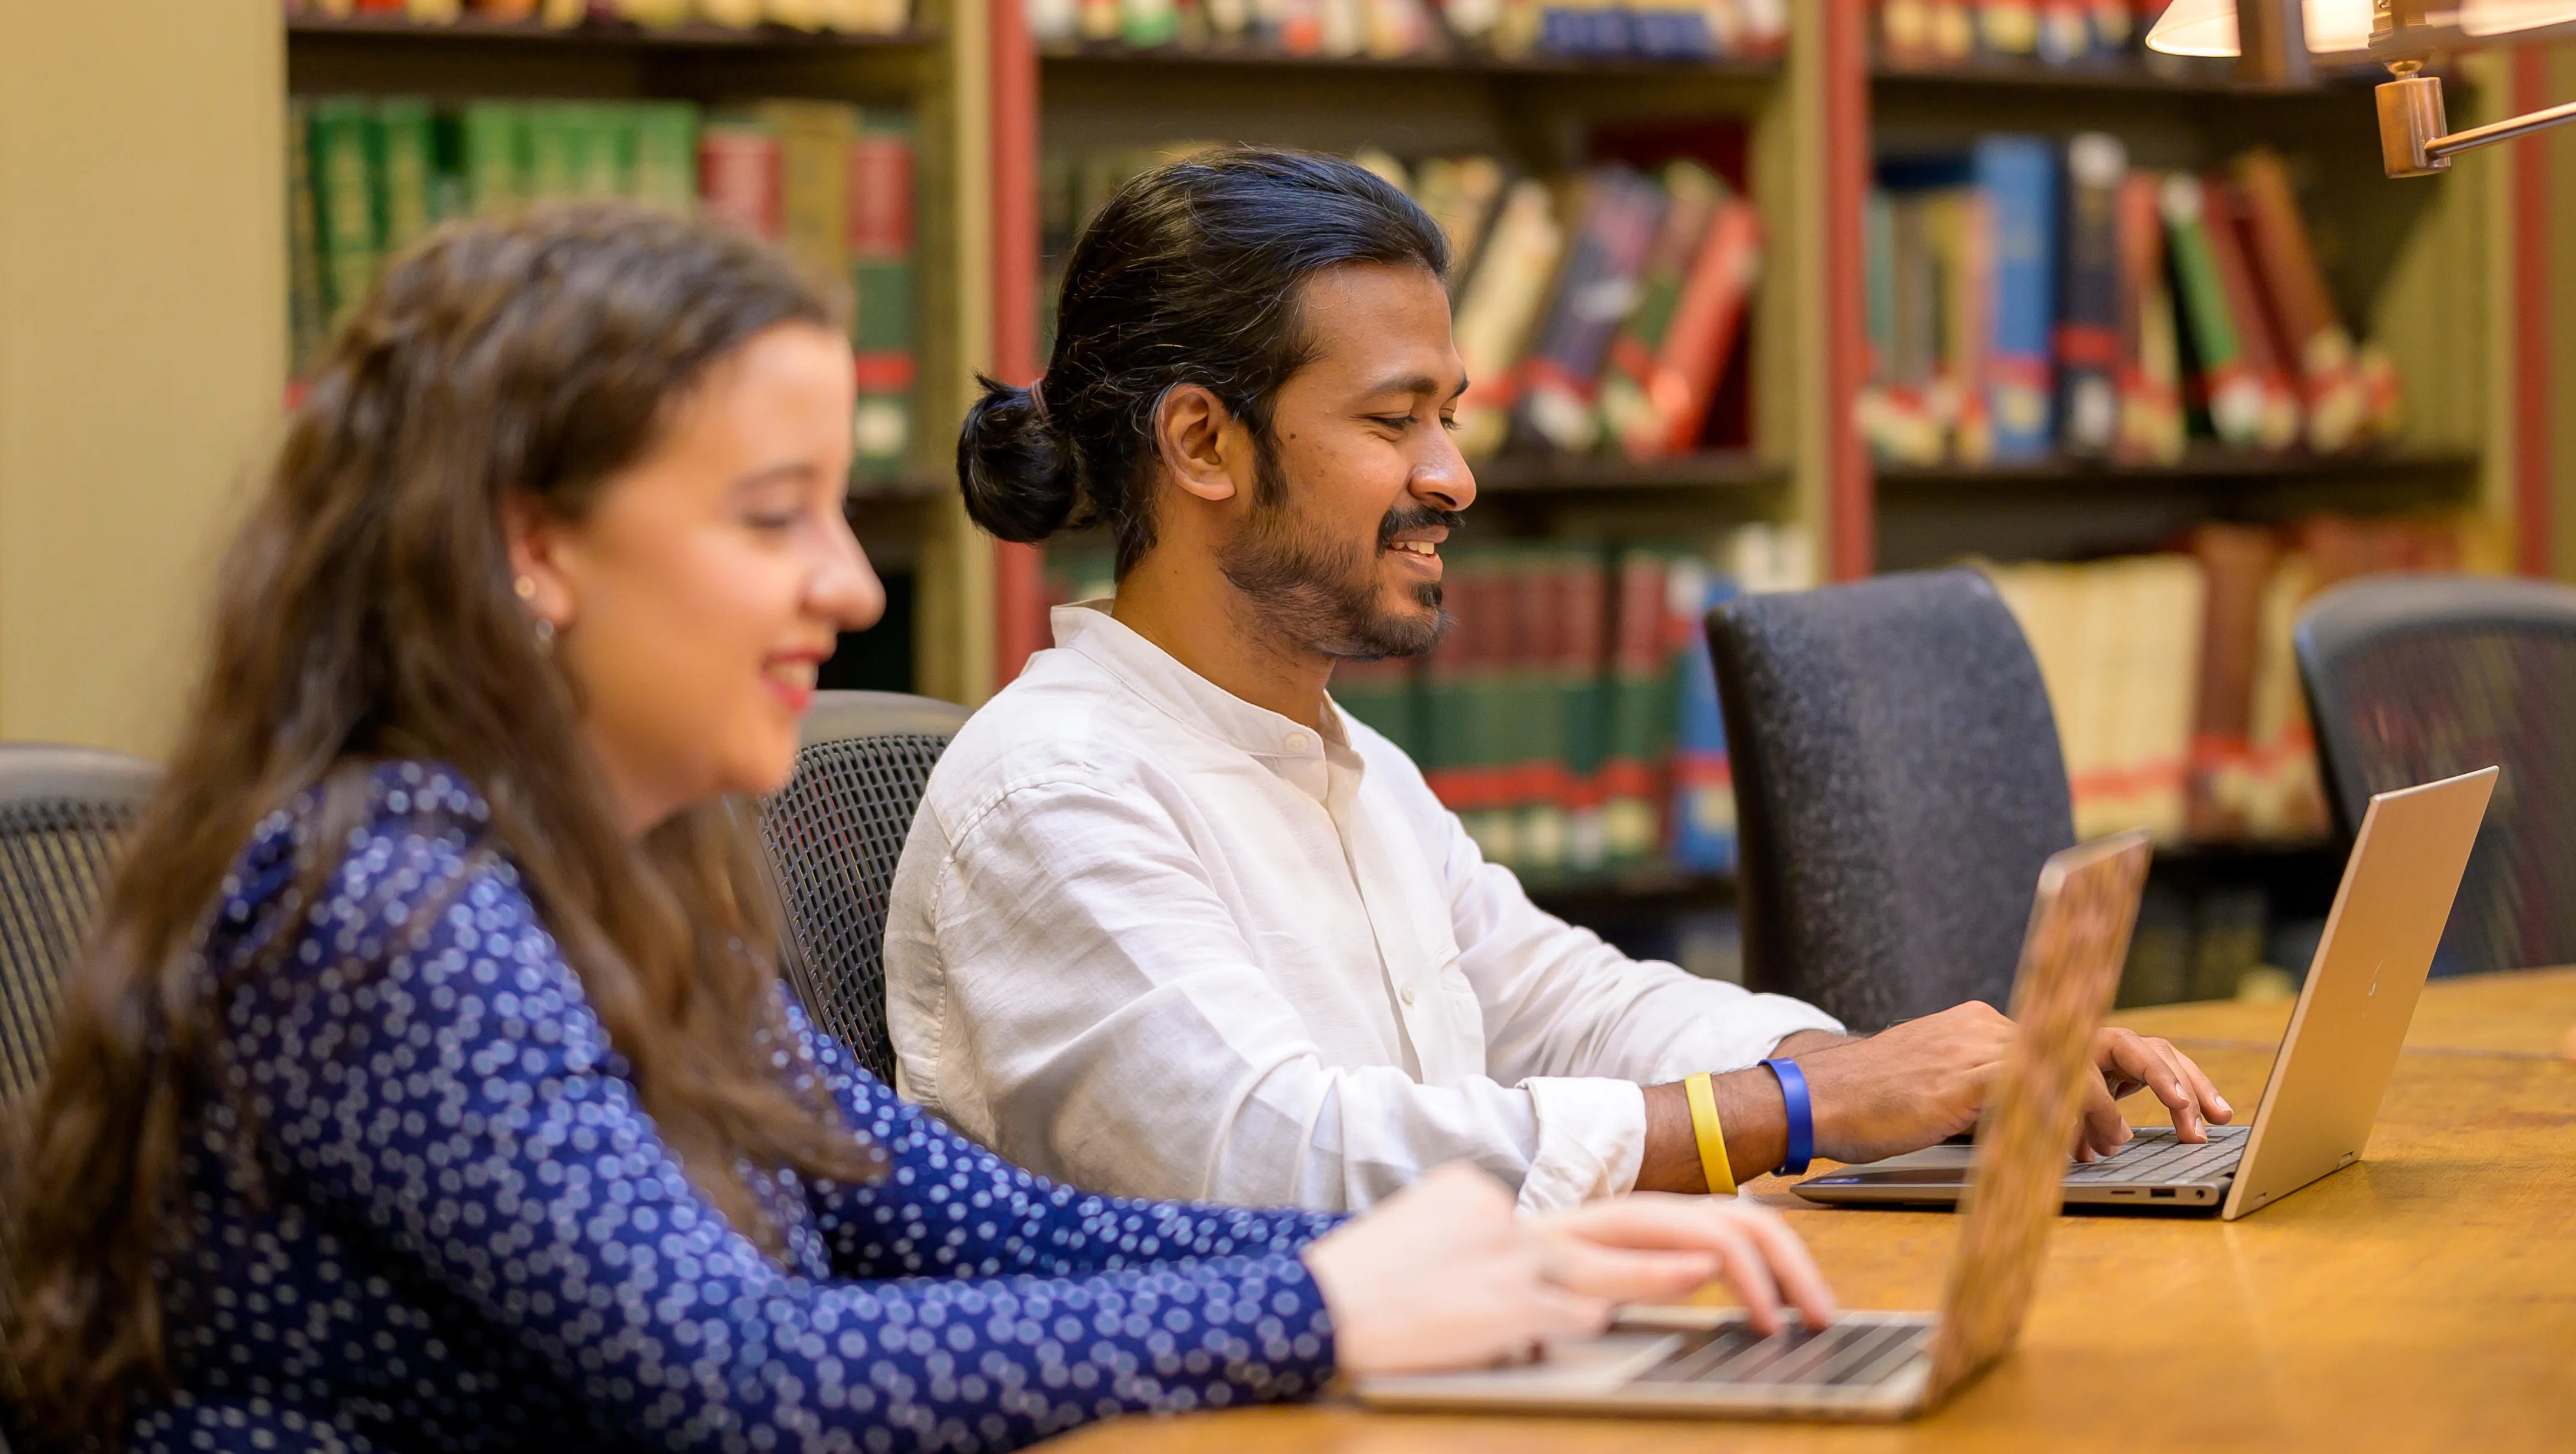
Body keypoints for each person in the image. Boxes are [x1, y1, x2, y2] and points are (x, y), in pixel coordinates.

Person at [0, 206, 1828, 1454]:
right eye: (771, 521)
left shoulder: (613, 873)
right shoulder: (392, 908)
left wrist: (1497, 1262)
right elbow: (747, 1381)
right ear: (534, 547)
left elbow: (955, 1225)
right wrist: (1338, 1301)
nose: (851, 587)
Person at [888, 147, 2230, 1214]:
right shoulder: (1056, 788)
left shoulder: (1341, 760)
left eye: (1451, 414)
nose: (1454, 476)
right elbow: (1275, 1157)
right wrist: (1804, 1108)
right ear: (1201, 441)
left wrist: (1916, 1068)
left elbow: (1571, 1008)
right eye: (1392, 418)